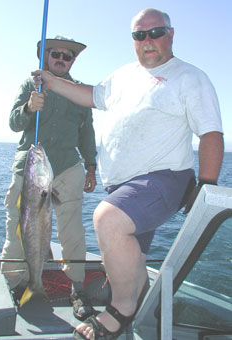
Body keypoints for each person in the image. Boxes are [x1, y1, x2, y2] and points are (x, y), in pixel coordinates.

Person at [32, 8, 224, 340]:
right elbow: (90, 96)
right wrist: (51, 82)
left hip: (162, 178)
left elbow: (210, 134)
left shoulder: (190, 77)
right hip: (123, 184)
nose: (148, 41)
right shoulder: (122, 75)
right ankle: (138, 295)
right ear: (132, 40)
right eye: (139, 35)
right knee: (133, 257)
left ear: (171, 34)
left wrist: (206, 184)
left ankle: (121, 310)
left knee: (108, 220)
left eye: (156, 32)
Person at [0, 35, 98, 321]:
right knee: (17, 228)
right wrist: (30, 107)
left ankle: (77, 289)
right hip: (30, 168)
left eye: (67, 56)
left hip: (68, 167)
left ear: (73, 61)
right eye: (56, 54)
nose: (61, 59)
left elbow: (87, 132)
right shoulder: (30, 85)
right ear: (45, 56)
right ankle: (17, 285)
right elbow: (13, 123)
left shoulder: (79, 92)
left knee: (72, 232)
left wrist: (91, 166)